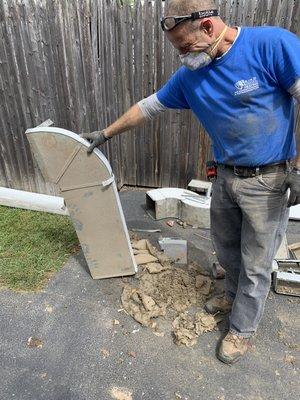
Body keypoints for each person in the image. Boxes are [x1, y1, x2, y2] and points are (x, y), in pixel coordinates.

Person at [81, 0, 300, 364]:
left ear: (209, 27)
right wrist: (104, 134)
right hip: (226, 174)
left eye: (185, 46)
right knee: (227, 247)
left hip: (270, 178)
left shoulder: (271, 45)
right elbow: (147, 107)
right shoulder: (190, 77)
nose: (182, 56)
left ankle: (242, 330)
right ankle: (231, 295)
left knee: (256, 260)